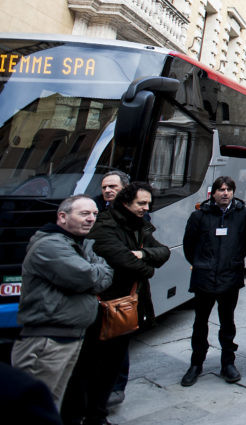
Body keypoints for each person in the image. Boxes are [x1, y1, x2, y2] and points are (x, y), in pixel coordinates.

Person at [65, 182, 170, 425]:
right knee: (86, 366)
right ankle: (75, 414)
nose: (146, 208)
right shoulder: (104, 225)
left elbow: (163, 252)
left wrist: (143, 254)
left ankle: (97, 415)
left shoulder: (140, 225)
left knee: (111, 366)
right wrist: (146, 268)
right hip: (100, 308)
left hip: (126, 307)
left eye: (147, 203)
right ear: (126, 203)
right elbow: (121, 259)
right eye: (141, 204)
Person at [11, 196, 112, 411]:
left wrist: (97, 268)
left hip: (67, 337)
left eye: (94, 214)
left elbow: (99, 271)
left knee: (51, 405)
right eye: (84, 214)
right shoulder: (50, 246)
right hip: (47, 342)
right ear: (63, 217)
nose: (91, 219)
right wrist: (98, 268)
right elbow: (91, 278)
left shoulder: (77, 242)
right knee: (35, 408)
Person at [180, 176, 246, 386]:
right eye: (221, 189)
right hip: (204, 278)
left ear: (233, 192)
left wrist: (233, 260)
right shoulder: (199, 215)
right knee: (200, 323)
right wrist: (202, 263)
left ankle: (228, 363)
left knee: (227, 322)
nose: (225, 193)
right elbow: (189, 245)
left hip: (229, 277)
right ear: (213, 193)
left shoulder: (243, 214)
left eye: (229, 189)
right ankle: (196, 363)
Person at [93, 169, 132, 408]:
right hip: (96, 285)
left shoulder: (134, 215)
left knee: (119, 338)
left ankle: (116, 386)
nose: (107, 190)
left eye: (113, 187)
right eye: (104, 186)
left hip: (120, 286)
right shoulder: (93, 210)